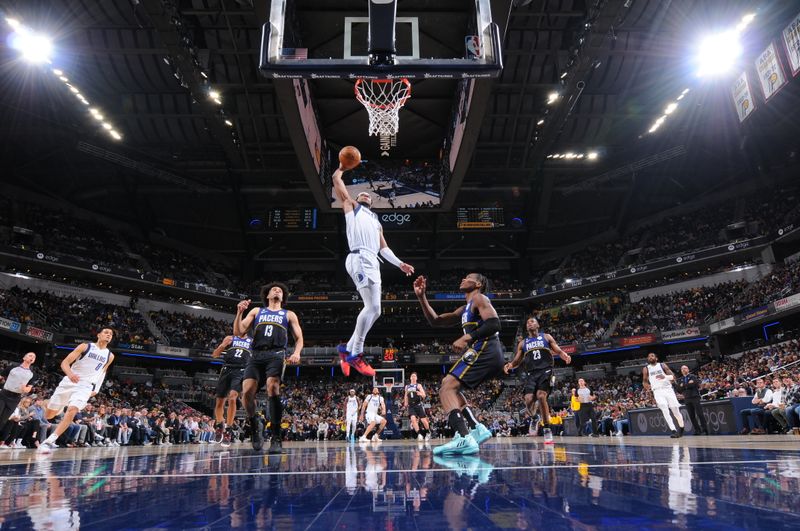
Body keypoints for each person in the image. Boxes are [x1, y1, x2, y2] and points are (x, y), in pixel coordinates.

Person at [331, 164, 415, 377]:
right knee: (372, 305)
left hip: (373, 260)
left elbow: (384, 248)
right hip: (358, 257)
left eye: (368, 194)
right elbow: (338, 185)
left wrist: (399, 264)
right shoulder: (352, 207)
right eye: (362, 193)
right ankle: (356, 353)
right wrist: (339, 171)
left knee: (376, 309)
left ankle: (345, 348)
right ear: (358, 199)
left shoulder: (376, 221)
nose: (366, 194)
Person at [414, 273, 501, 456]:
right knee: (450, 385)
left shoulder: (479, 298)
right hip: (481, 349)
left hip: (485, 347)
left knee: (446, 389)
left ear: (477, 283)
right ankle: (476, 428)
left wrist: (466, 337)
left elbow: (494, 323)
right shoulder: (465, 308)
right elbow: (436, 321)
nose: (462, 279)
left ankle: (464, 437)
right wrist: (422, 297)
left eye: (467, 277)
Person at [234, 282, 303, 454]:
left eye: (280, 290)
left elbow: (299, 337)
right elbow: (239, 332)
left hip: (277, 354)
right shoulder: (257, 311)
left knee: (273, 386)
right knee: (247, 392)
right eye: (274, 289)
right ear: (267, 295)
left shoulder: (289, 314)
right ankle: (255, 422)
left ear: (283, 297)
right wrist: (239, 312)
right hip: (256, 354)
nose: (277, 290)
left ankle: (276, 436)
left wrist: (297, 352)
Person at [38, 328, 115, 453]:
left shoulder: (110, 355)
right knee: (49, 415)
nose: (109, 335)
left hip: (85, 385)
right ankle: (50, 404)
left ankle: (49, 441)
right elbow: (65, 363)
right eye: (106, 332)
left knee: (72, 410)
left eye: (111, 334)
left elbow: (103, 372)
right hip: (70, 380)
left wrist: (96, 388)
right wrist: (70, 374)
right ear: (99, 334)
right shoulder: (85, 347)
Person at [503, 317, 571, 441]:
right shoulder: (523, 343)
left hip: (546, 370)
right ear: (526, 327)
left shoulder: (546, 337)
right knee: (528, 400)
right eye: (528, 322)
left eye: (532, 321)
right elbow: (517, 360)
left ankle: (547, 428)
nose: (529, 323)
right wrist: (511, 365)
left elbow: (558, 349)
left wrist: (564, 355)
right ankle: (535, 418)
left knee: (541, 396)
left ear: (538, 325)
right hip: (531, 374)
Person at [211, 334, 252, 447]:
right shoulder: (230, 338)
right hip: (226, 369)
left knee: (233, 397)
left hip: (241, 371)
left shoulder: (252, 341)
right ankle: (220, 425)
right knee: (219, 402)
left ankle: (228, 429)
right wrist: (223, 345)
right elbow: (215, 355)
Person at [642, 352, 684, 438]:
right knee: (664, 408)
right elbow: (645, 381)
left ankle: (681, 427)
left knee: (675, 411)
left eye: (652, 356)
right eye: (649, 356)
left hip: (668, 389)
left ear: (656, 358)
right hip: (657, 391)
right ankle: (673, 430)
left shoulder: (662, 365)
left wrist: (665, 377)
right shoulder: (646, 368)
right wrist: (646, 387)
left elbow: (673, 377)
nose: (650, 357)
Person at [0, 352, 36, 436]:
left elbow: (28, 389)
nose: (32, 357)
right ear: (24, 358)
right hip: (4, 394)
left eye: (34, 357)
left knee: (3, 420)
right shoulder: (12, 368)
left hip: (15, 398)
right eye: (30, 355)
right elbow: (1, 377)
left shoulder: (33, 374)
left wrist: (25, 389)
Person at [676, 365, 708, 435]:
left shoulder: (693, 376)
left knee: (699, 414)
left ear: (688, 369)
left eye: (685, 368)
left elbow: (694, 384)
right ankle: (697, 430)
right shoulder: (680, 379)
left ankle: (705, 429)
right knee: (691, 415)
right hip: (687, 398)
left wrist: (683, 385)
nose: (683, 370)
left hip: (695, 397)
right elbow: (678, 390)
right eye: (682, 369)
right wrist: (687, 385)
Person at [404, 373, 431, 441]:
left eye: (414, 376)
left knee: (423, 420)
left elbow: (424, 395)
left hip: (418, 404)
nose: (413, 377)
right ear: (410, 378)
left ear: (416, 378)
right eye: (412, 376)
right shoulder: (407, 386)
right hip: (411, 405)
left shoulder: (418, 385)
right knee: (413, 419)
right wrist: (405, 402)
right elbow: (406, 395)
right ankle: (419, 434)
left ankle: (428, 432)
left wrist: (420, 394)